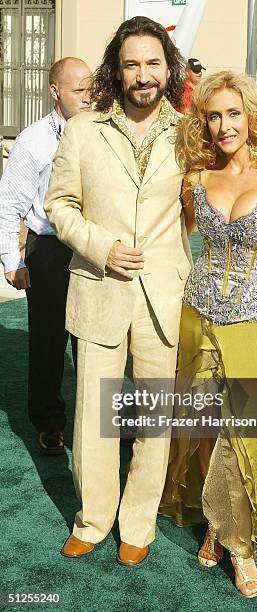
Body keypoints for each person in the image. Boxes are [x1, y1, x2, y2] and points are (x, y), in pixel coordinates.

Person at [44, 17, 257, 564]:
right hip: (99, 286)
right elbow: (58, 205)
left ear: (167, 68)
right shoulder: (83, 129)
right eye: (131, 63)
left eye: (153, 62)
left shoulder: (189, 135)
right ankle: (92, 518)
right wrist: (99, 245)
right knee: (94, 415)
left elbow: (244, 185)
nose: (142, 74)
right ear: (117, 68)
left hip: (166, 297)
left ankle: (137, 524)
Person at [159, 71, 257, 597]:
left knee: (243, 435)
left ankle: (242, 548)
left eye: (234, 114)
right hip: (197, 313)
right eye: (214, 115)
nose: (224, 125)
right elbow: (174, 243)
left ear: (251, 116)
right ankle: (216, 528)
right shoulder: (195, 179)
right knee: (203, 428)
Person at [0, 57, 92, 454]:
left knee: (96, 342)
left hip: (95, 247)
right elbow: (9, 205)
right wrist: (12, 261)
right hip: (50, 250)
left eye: (92, 89)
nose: (89, 98)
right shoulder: (33, 141)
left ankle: (98, 426)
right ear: (55, 92)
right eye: (79, 91)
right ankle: (50, 423)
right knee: (49, 342)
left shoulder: (104, 131)